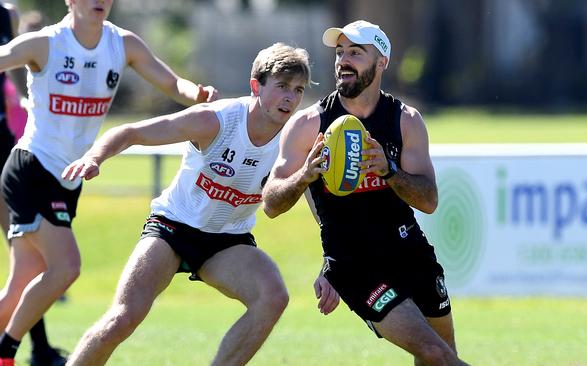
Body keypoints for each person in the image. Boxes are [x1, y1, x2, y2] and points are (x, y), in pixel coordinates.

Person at [60, 42, 338, 366]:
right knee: (123, 318)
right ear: (255, 86)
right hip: (173, 227)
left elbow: (322, 210)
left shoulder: (296, 140)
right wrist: (95, 158)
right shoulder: (216, 121)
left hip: (227, 241)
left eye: (298, 89)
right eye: (281, 87)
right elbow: (131, 131)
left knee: (273, 297)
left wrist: (330, 260)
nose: (290, 98)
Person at [0, 0, 218, 364]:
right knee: (67, 267)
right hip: (31, 169)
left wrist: (194, 94)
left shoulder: (123, 44)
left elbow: (170, 82)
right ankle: (6, 351)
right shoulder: (46, 44)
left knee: (22, 284)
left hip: (69, 180)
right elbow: (5, 55)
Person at [262, 20, 470, 366]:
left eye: (356, 53)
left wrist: (389, 170)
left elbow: (429, 201)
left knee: (444, 354)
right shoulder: (309, 125)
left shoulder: (406, 121)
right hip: (355, 266)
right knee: (434, 353)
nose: (343, 60)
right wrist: (304, 175)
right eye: (340, 53)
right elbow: (270, 204)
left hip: (410, 252)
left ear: (382, 61)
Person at [0, 3, 68, 366]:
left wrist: (25, 99)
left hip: (3, 143)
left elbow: (12, 70)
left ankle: (36, 349)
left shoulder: (6, 13)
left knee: (29, 260)